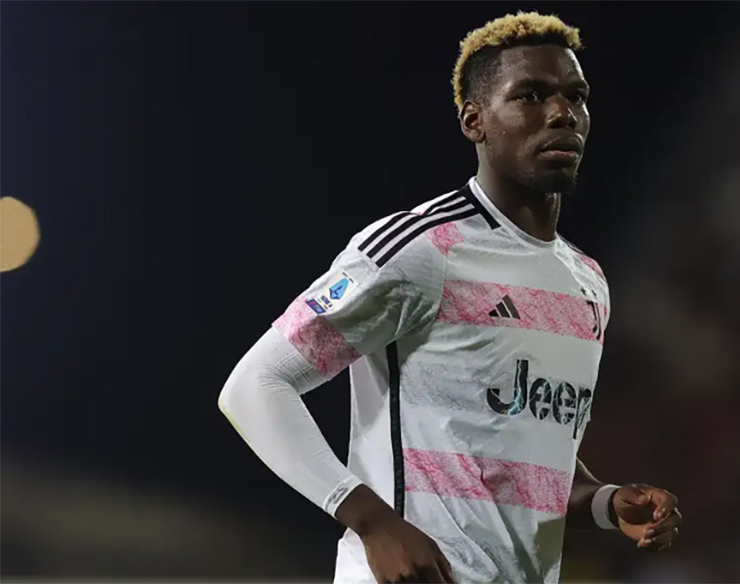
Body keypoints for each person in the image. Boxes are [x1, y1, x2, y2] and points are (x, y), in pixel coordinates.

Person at [218, 11, 682, 583]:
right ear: (474, 121)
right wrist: (372, 522)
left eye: (576, 96)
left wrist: (606, 503)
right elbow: (255, 386)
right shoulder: (423, 249)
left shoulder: (586, 282)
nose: (563, 113)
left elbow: (523, 460)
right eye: (531, 95)